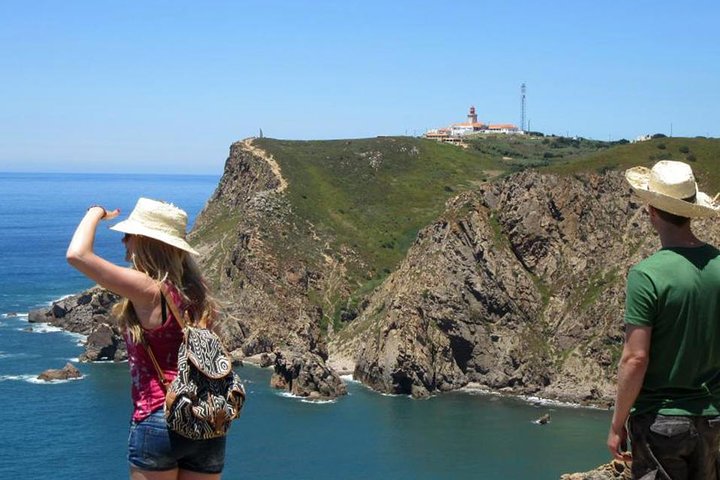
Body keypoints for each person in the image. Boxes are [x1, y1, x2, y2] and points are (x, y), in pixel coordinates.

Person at [67, 197, 227, 480]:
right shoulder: (198, 291)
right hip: (206, 418)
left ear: (145, 242)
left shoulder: (150, 290)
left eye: (128, 236)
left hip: (159, 416)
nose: (123, 242)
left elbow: (77, 255)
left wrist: (95, 212)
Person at [607, 160, 720, 479]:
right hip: (711, 419)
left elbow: (635, 358)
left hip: (660, 422)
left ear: (651, 211)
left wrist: (617, 424)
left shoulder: (646, 275)